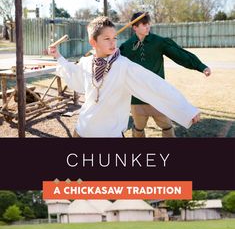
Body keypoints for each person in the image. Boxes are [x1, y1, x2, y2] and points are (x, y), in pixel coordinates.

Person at [48, 16, 200, 138]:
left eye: (114, 38)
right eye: (107, 39)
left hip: (110, 133)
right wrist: (58, 56)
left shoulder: (123, 66)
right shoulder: (86, 62)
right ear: (93, 42)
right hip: (83, 131)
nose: (113, 43)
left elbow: (154, 85)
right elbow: (73, 74)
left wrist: (186, 110)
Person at [120, 12, 211, 138]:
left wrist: (200, 66)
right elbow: (115, 65)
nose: (148, 27)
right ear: (135, 27)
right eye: (144, 24)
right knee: (138, 128)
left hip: (158, 95)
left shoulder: (159, 42)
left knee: (167, 126)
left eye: (149, 24)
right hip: (137, 97)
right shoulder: (126, 46)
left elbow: (180, 54)